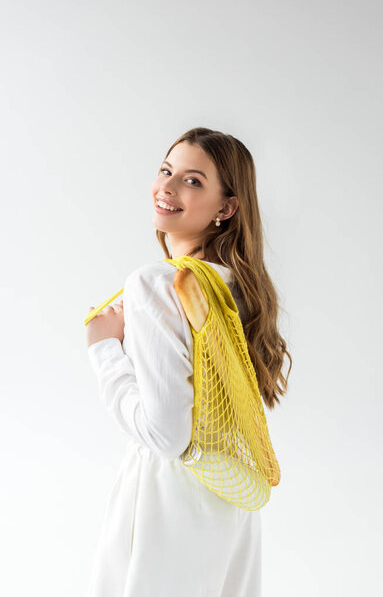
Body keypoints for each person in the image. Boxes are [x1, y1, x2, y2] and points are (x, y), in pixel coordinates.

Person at [84, 127, 292, 596]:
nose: (168, 187)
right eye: (166, 170)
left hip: (167, 499)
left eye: (193, 181)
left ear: (226, 208)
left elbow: (166, 435)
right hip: (227, 497)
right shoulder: (237, 287)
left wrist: (104, 351)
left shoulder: (156, 283)